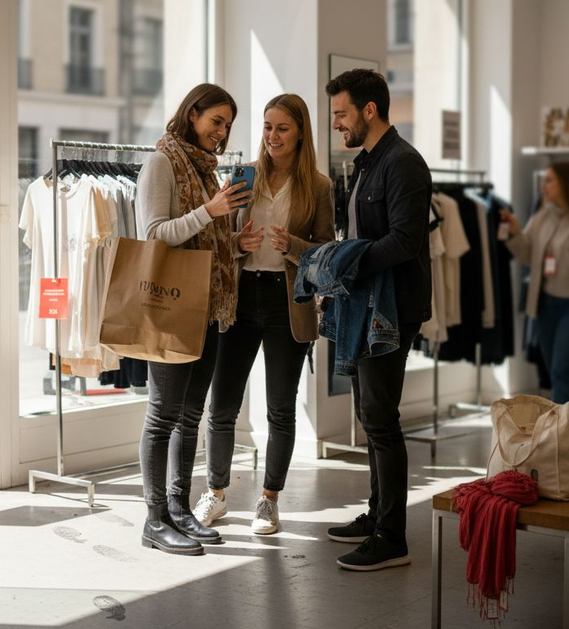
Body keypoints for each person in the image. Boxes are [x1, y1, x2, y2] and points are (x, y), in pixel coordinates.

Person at [192, 94, 335, 536]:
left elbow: (327, 252)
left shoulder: (319, 186)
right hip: (241, 295)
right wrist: (238, 244)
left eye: (282, 128)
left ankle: (269, 500)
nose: (272, 136)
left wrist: (293, 246)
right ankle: (215, 493)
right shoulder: (243, 177)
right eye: (268, 127)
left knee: (280, 408)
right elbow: (221, 238)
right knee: (222, 405)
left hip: (286, 301)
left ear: (300, 133)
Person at [135, 83, 251, 556]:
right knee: (162, 415)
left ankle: (180, 510)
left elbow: (205, 242)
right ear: (192, 114)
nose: (221, 132)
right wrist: (211, 210)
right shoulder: (161, 163)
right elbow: (154, 236)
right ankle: (154, 520)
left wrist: (236, 243)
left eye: (227, 125)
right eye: (216, 121)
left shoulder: (206, 170)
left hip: (206, 307)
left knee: (189, 414)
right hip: (171, 308)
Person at [322, 69, 431, 571]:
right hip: (366, 306)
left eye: (341, 113)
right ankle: (376, 516)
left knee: (381, 420)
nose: (337, 124)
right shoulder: (367, 163)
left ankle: (392, 536)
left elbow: (406, 241)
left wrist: (346, 262)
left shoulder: (403, 162)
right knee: (371, 417)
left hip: (392, 309)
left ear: (370, 110)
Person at [501, 162, 569, 403]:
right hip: (545, 306)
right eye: (544, 180)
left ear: (567, 183)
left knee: (564, 373)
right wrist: (514, 232)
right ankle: (564, 422)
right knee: (554, 373)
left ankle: (564, 425)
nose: (544, 185)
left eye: (550, 180)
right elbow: (527, 255)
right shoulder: (542, 217)